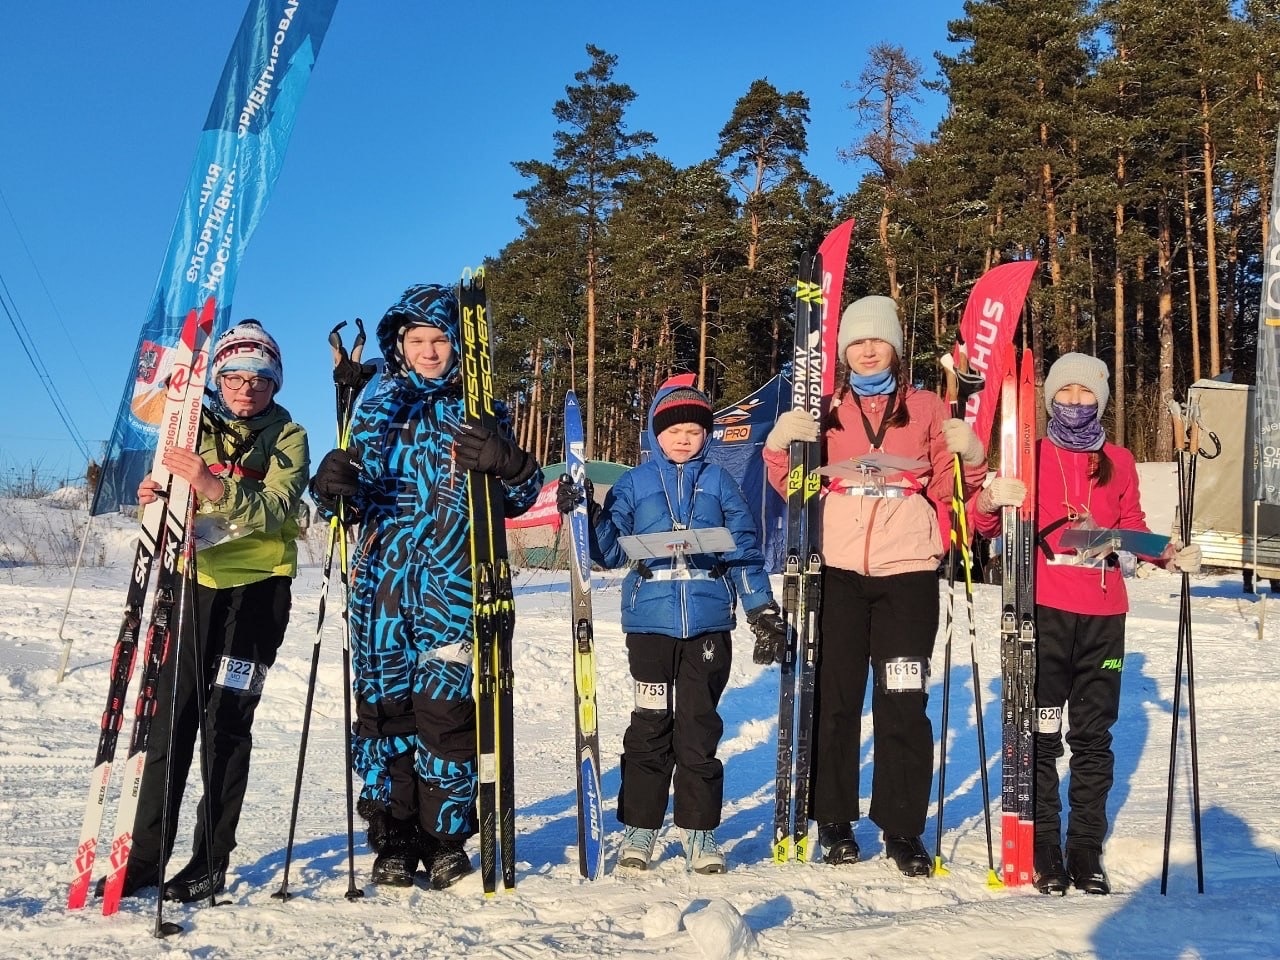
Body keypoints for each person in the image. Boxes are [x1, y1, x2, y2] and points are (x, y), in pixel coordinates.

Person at [309, 284, 541, 890]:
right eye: (418, 340)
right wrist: (330, 486)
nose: (430, 351)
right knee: (386, 717)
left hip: (455, 584)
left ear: (459, 344)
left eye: (440, 339)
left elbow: (516, 500)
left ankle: (445, 839)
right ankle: (394, 839)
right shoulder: (376, 401)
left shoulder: (483, 403)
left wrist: (509, 463)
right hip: (381, 585)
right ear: (399, 344)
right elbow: (348, 500)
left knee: (446, 717)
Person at [762, 295, 987, 877]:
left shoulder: (927, 406)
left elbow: (952, 493)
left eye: (877, 340)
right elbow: (797, 488)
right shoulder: (825, 409)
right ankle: (834, 821)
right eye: (856, 342)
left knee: (903, 702)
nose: (867, 349)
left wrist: (974, 459)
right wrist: (779, 446)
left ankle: (904, 827)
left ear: (894, 347)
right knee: (835, 701)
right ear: (842, 353)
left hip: (909, 572)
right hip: (836, 569)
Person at [970, 352, 1201, 896]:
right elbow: (985, 525)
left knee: (1093, 737)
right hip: (1043, 611)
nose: (1075, 402)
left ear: (1101, 399)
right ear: (1049, 398)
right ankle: (1045, 845)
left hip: (1103, 617)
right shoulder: (1029, 454)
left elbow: (1132, 528)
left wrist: (1170, 553)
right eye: (1065, 392)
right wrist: (989, 497)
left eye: (1087, 393)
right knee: (1042, 734)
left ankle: (1085, 849)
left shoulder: (1118, 460)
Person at [105, 319, 310, 902]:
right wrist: (154, 493)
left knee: (226, 724)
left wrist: (211, 486)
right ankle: (145, 858)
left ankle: (210, 859)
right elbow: (169, 495)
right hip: (191, 586)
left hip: (259, 593)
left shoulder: (289, 435)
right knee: (171, 720)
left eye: (261, 379)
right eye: (235, 377)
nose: (247, 389)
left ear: (275, 385)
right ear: (217, 379)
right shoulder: (189, 427)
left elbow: (276, 507)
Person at [557, 384, 785, 875]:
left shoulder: (721, 483)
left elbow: (743, 551)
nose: (684, 439)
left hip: (707, 624)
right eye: (674, 430)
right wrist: (586, 512)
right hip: (650, 626)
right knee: (651, 723)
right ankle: (641, 826)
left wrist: (761, 610)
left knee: (699, 728)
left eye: (694, 430)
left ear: (706, 435)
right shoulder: (634, 484)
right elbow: (610, 551)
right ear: (657, 434)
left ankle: (699, 832)